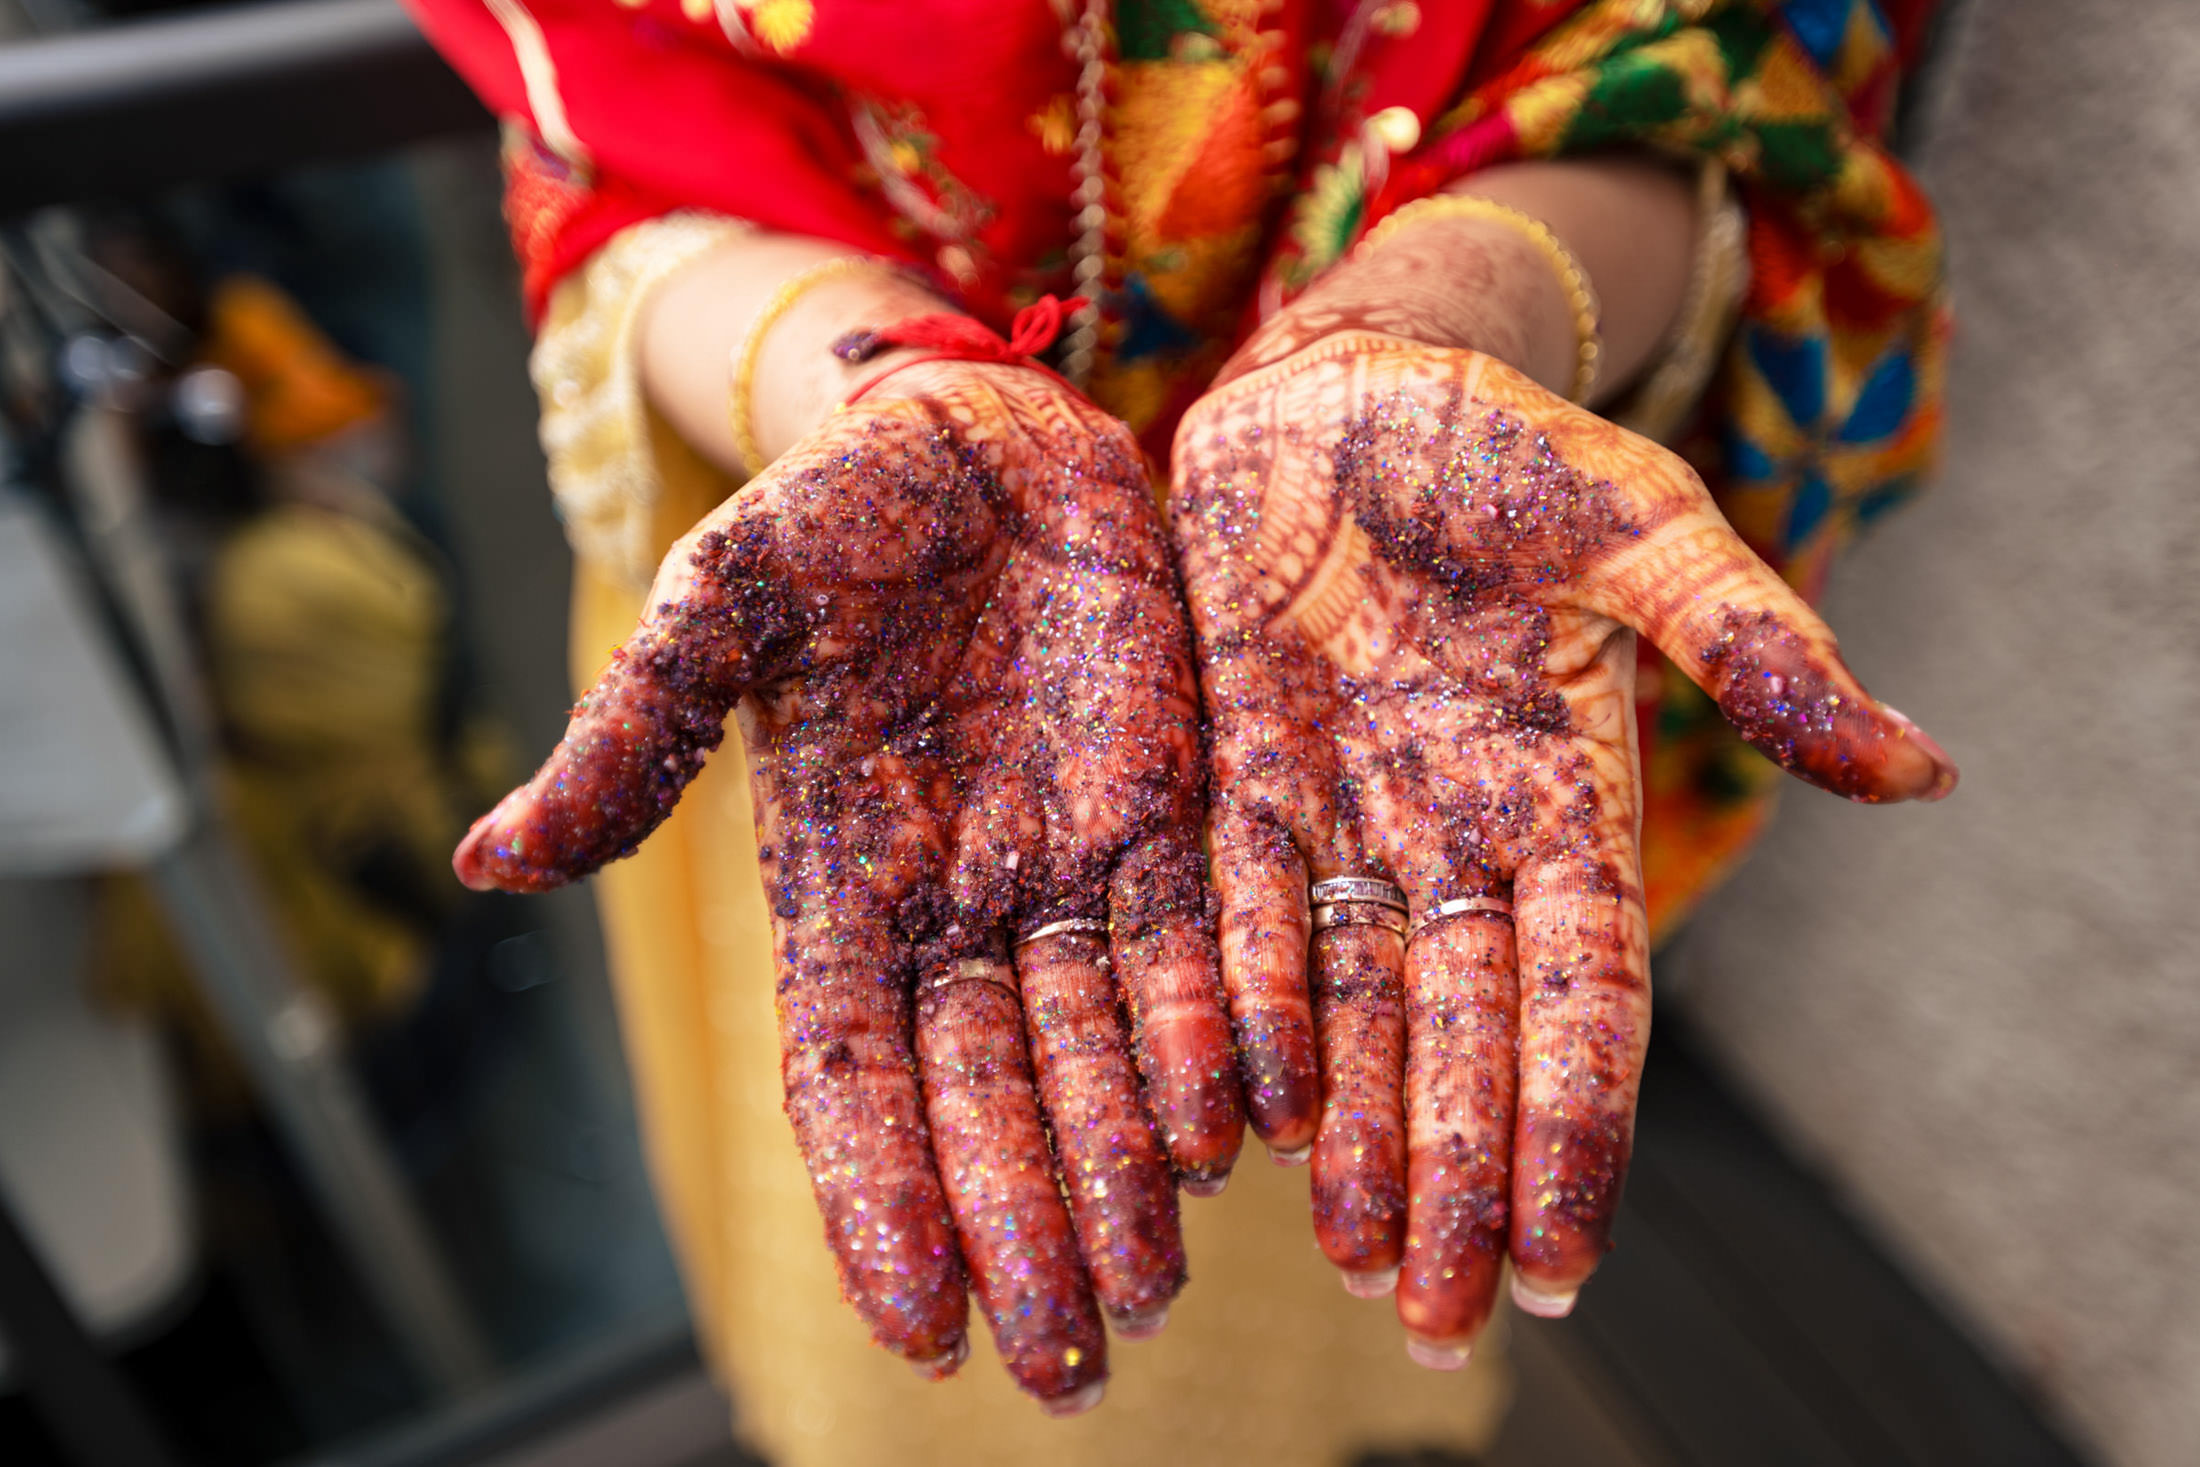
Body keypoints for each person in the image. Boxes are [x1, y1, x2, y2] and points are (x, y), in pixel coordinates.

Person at [404, 0, 1957, 1460]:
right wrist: (873, 394)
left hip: (1380, 693)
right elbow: (603, 147)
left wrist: (1429, 329)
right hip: (877, 679)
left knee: (1312, 1182)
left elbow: (1691, 72)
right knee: (950, 1209)